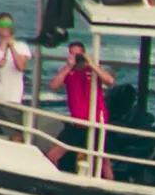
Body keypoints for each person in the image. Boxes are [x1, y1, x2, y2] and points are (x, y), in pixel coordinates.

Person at [47, 39, 115, 170]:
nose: (76, 58)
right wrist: (68, 66)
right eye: (72, 54)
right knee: (53, 154)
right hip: (77, 123)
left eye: (78, 54)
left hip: (95, 122)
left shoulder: (93, 70)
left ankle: (109, 183)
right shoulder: (68, 72)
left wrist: (91, 64)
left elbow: (109, 80)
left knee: (103, 161)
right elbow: (54, 85)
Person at [0, 14, 32, 137]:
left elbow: (21, 66)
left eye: (8, 25)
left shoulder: (21, 47)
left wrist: (11, 47)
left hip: (11, 99)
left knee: (15, 136)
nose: (5, 28)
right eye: (2, 25)